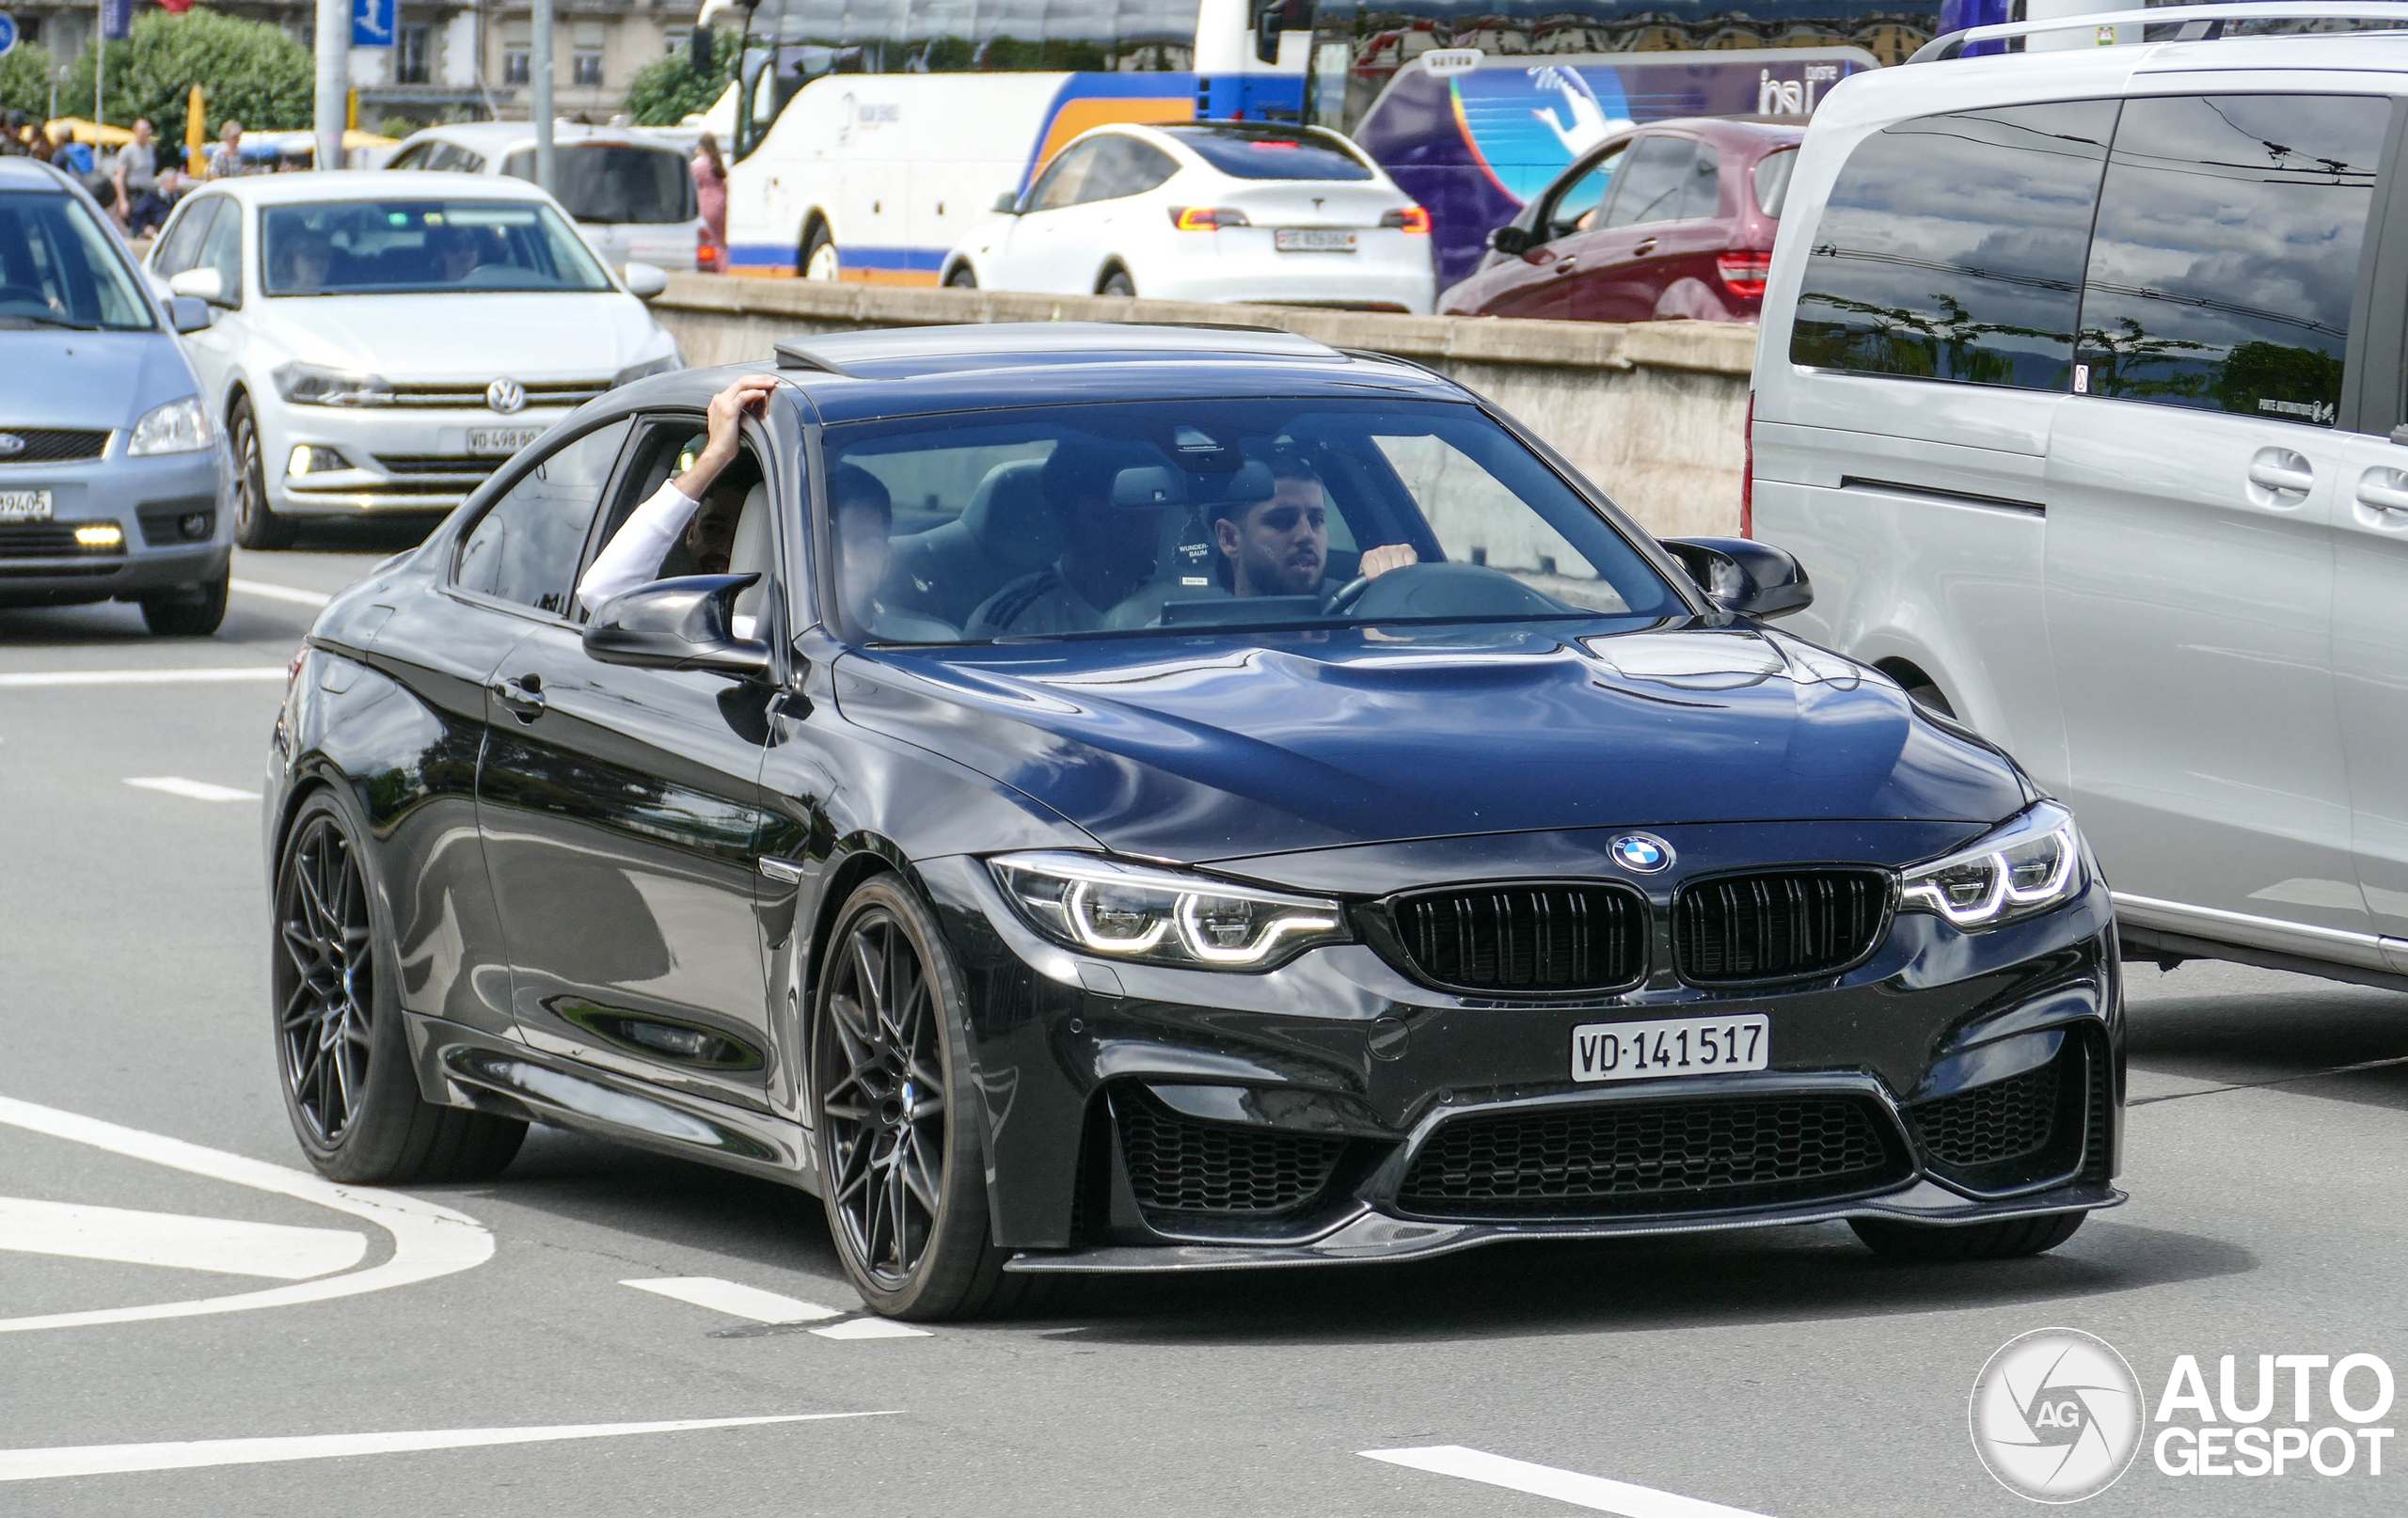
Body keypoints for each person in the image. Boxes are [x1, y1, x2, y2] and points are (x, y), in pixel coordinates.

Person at [578, 373, 781, 624]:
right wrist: (716, 454)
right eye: (715, 529)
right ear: (691, 533)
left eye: (745, 533)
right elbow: (601, 592)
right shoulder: (665, 610)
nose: (726, 549)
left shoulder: (800, 620)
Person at [966, 446, 1170, 637]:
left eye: (1160, 512)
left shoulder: (1178, 602)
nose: (1158, 527)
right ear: (1091, 518)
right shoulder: (1009, 624)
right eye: (1143, 510)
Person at [1211, 456, 1416, 599]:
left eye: (1316, 520)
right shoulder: (1199, 646)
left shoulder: (1359, 623)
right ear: (1229, 539)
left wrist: (1389, 590)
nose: (1306, 535)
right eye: (1282, 521)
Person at [832, 464, 957, 641]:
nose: (849, 560)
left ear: (886, 561)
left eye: (867, 542)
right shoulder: (780, 656)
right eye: (831, 540)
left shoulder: (935, 643)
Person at [691, 134, 727, 268]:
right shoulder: (718, 161)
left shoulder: (699, 165)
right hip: (720, 201)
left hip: (706, 202)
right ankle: (724, 266)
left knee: (709, 239)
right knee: (721, 242)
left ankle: (713, 267)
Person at [113, 119, 157, 229]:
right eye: (143, 130)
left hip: (148, 192)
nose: (146, 133)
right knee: (137, 224)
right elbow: (119, 177)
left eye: (148, 130)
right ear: (136, 131)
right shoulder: (127, 150)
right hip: (134, 193)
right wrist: (123, 201)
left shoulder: (151, 150)